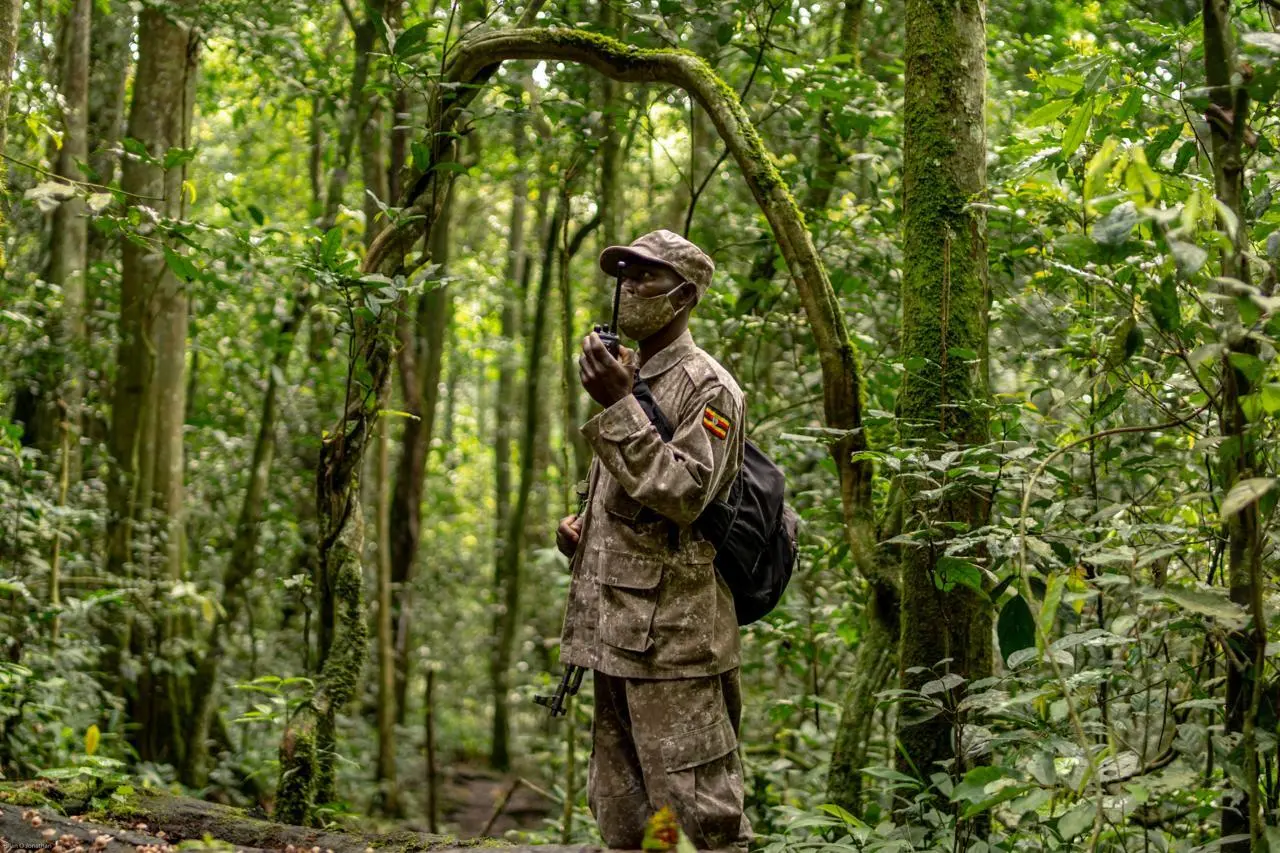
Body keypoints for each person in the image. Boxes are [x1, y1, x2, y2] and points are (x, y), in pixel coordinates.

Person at [555, 229, 750, 850]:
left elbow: (686, 492)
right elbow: (632, 502)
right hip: (613, 632)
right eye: (624, 275)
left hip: (676, 644)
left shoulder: (709, 387)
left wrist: (616, 404)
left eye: (645, 277)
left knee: (699, 819)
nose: (629, 288)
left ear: (684, 296)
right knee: (623, 819)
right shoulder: (629, 371)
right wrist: (582, 533)